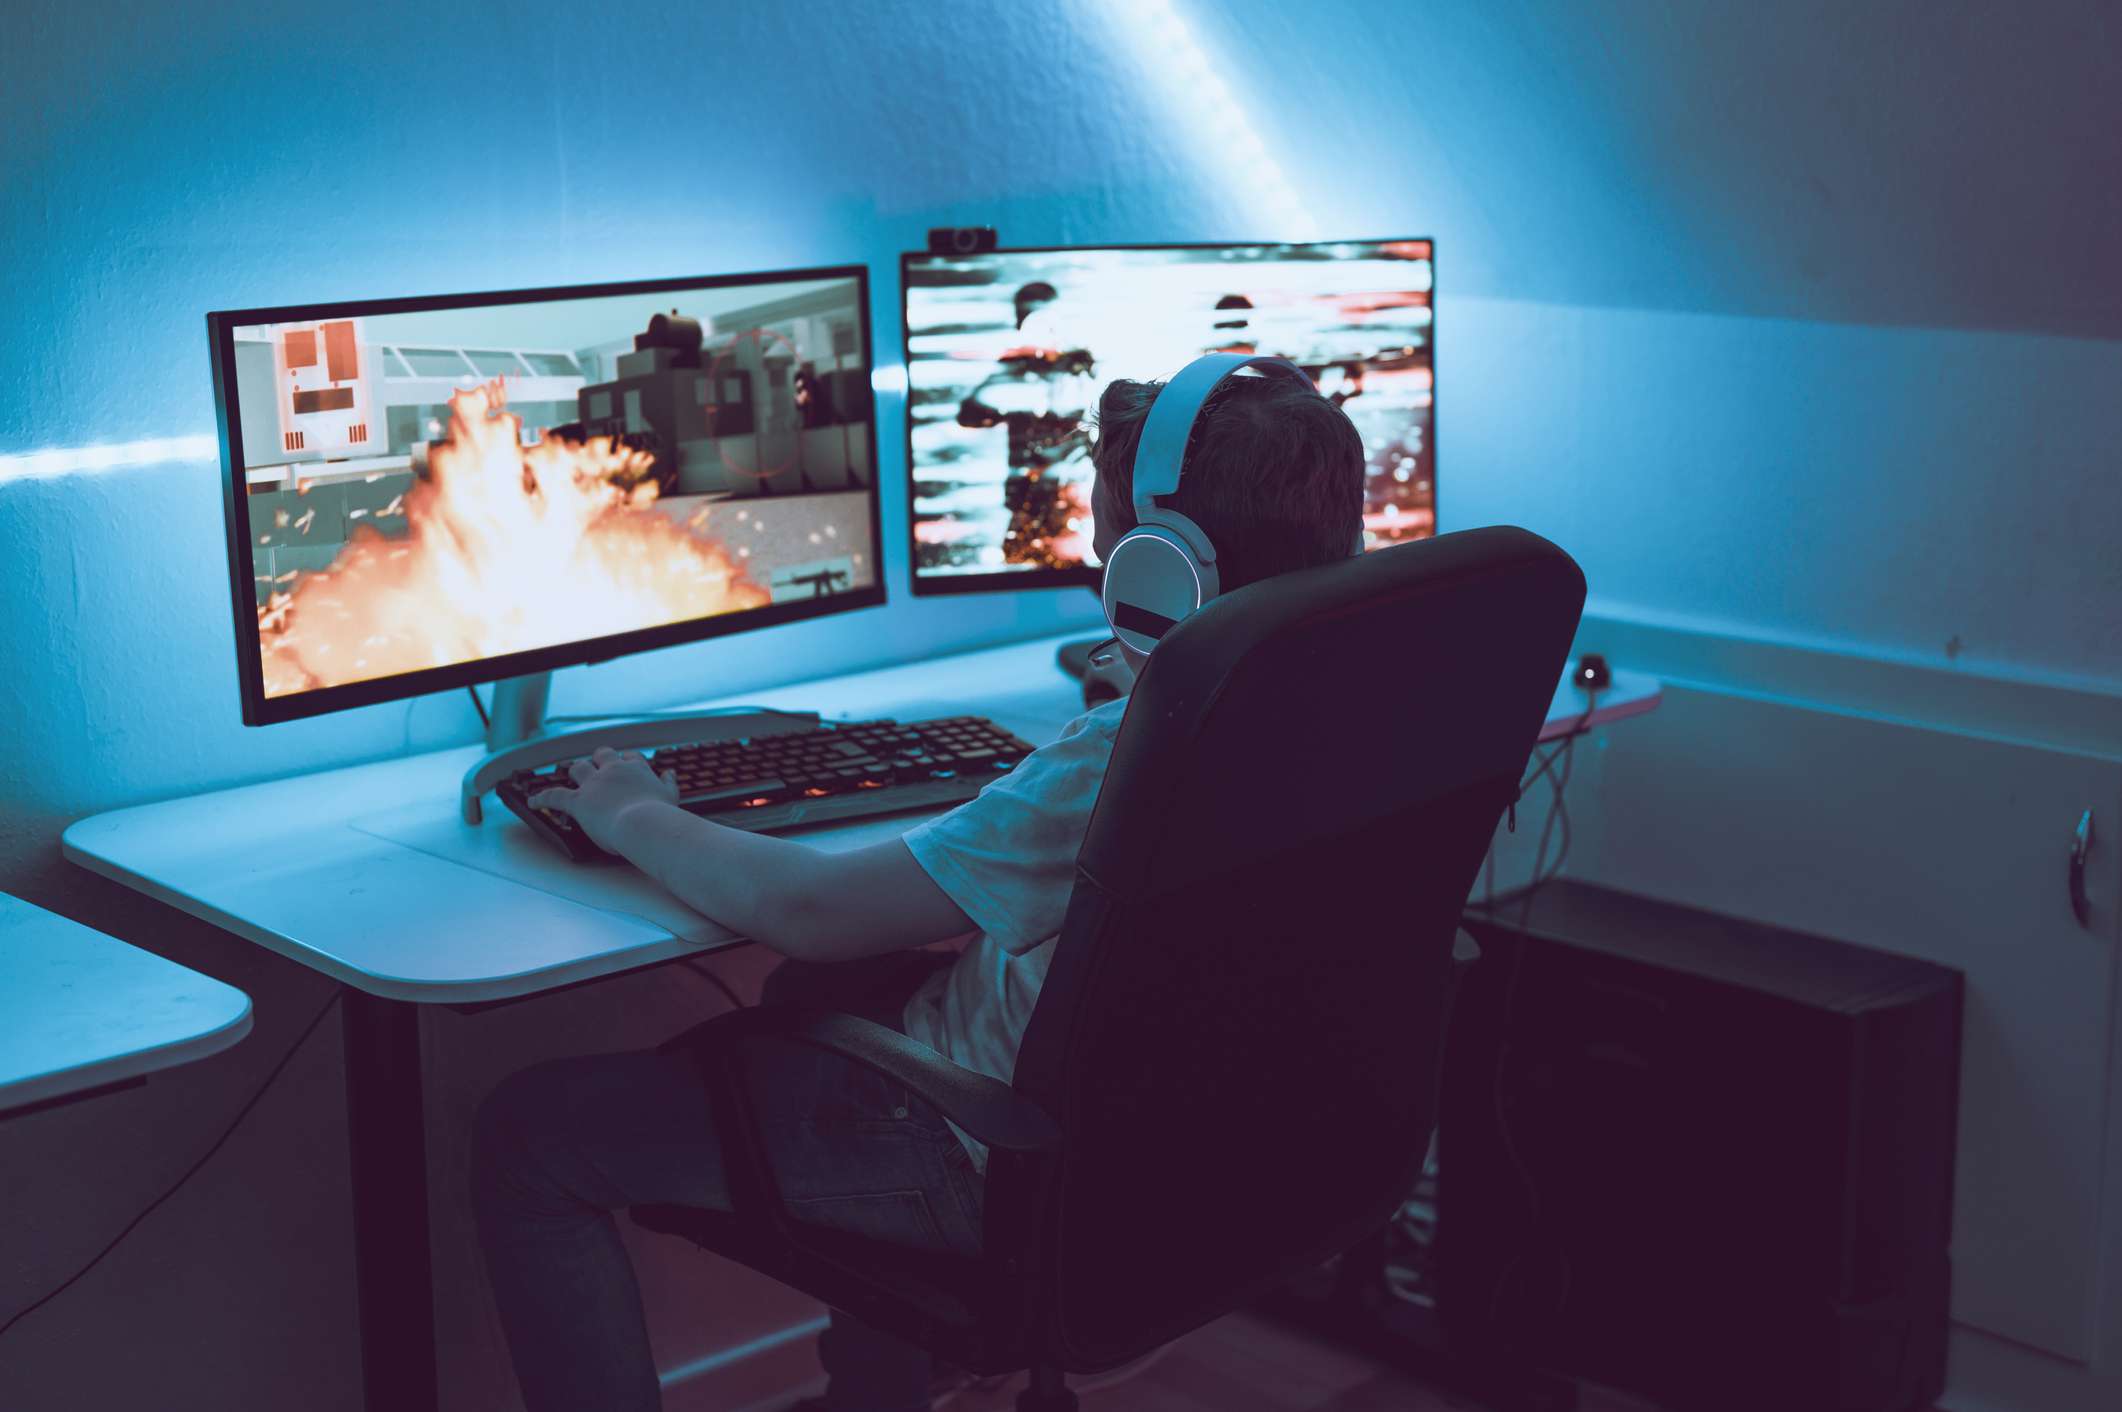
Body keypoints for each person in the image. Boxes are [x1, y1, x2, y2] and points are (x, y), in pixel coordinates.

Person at [471, 367, 1366, 1412]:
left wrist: (633, 813)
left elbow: (816, 908)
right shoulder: (1366, 701)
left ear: (1158, 573)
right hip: (1212, 1149)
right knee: (806, 996)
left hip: (997, 1154)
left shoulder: (1126, 754)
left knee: (531, 1134)